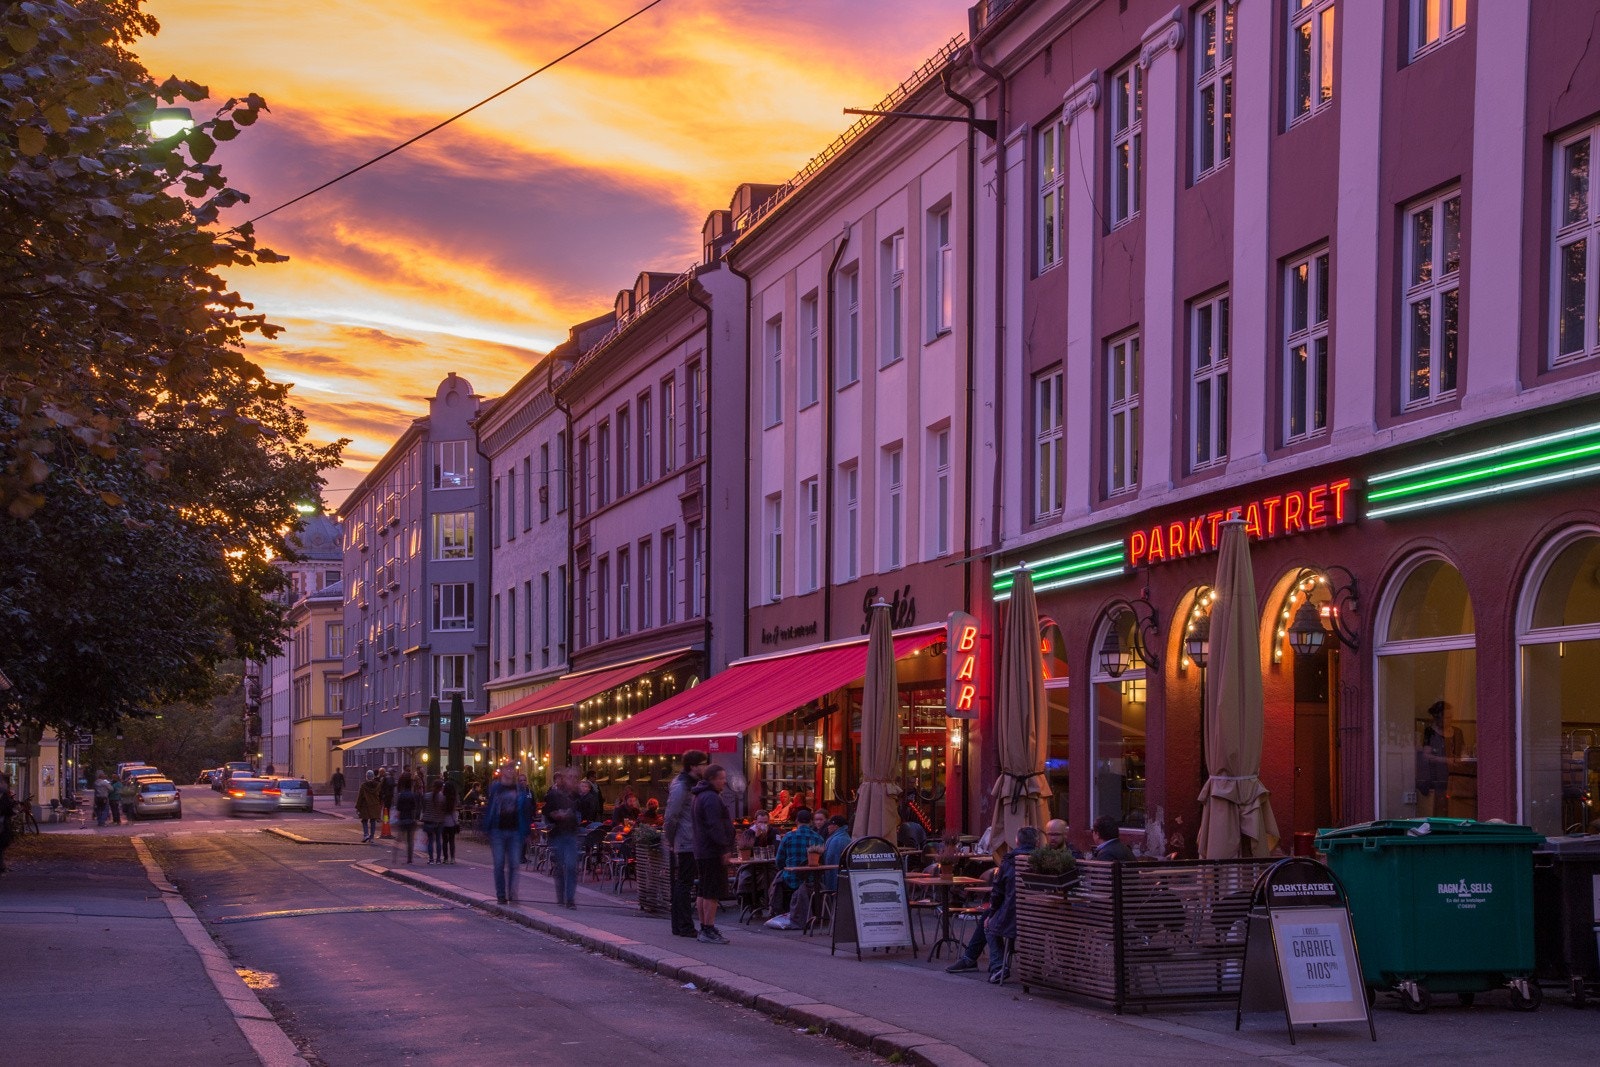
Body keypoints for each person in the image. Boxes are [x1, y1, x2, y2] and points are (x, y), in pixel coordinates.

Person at [947, 826, 1038, 983]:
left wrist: (994, 910)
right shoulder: (1042, 861)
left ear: (1017, 841)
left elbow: (997, 893)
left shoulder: (1010, 861)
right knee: (988, 915)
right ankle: (970, 959)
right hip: (1036, 916)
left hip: (1015, 917)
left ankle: (998, 966)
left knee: (989, 922)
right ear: (1036, 842)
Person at [663, 750, 709, 938]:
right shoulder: (682, 786)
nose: (705, 767)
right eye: (703, 764)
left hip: (689, 838)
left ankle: (680, 925)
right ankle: (683, 925)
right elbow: (671, 815)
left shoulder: (690, 784)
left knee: (684, 882)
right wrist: (671, 839)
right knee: (684, 882)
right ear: (693, 767)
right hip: (686, 840)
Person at [690, 763, 735, 944]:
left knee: (703, 890)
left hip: (702, 849)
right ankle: (708, 929)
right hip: (712, 851)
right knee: (712, 892)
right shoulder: (711, 798)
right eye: (721, 778)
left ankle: (704, 927)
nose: (724, 782)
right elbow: (714, 825)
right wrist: (724, 848)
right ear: (711, 779)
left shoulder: (700, 796)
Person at [766, 806, 825, 930]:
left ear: (796, 821)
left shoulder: (788, 837)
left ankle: (778, 909)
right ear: (810, 822)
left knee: (778, 878)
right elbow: (823, 862)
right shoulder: (818, 838)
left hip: (790, 880)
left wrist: (784, 868)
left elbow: (779, 861)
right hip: (812, 882)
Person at [483, 763, 532, 904]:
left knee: (514, 864)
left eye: (512, 769)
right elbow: (490, 808)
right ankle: (501, 895)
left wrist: (527, 831)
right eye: (507, 769)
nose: (510, 771)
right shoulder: (496, 789)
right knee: (499, 863)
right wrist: (487, 827)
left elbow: (525, 811)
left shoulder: (519, 790)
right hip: (498, 830)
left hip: (515, 831)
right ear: (502, 771)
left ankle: (512, 894)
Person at [1417, 700, 1464, 818]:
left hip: (1455, 775)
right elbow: (1426, 755)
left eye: (1451, 717)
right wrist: (1445, 760)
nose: (1450, 720)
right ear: (1438, 717)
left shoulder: (1457, 732)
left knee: (1456, 806)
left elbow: (1463, 752)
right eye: (1447, 717)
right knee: (1439, 806)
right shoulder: (1430, 732)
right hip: (1437, 776)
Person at [543, 767, 582, 908]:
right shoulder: (555, 794)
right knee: (560, 866)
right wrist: (555, 815)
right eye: (570, 777)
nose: (573, 780)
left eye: (575, 777)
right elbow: (546, 811)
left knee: (571, 866)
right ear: (565, 778)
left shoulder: (577, 795)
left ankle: (570, 899)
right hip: (558, 834)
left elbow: (583, 812)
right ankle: (561, 896)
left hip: (571, 834)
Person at [393, 774, 420, 863]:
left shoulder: (401, 795)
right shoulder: (413, 795)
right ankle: (410, 859)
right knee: (410, 840)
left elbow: (398, 808)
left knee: (398, 839)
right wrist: (414, 819)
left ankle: (394, 858)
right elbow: (414, 808)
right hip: (410, 819)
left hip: (402, 818)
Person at [821, 815, 851, 891]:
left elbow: (831, 863)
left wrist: (830, 888)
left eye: (829, 825)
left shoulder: (836, 841)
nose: (828, 827)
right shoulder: (845, 837)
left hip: (836, 884)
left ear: (836, 826)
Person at [420, 776, 445, 864]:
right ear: (441, 787)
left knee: (430, 840)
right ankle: (438, 859)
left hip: (428, 820)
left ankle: (431, 859)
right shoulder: (443, 797)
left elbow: (424, 808)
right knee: (438, 840)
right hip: (439, 821)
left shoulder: (426, 796)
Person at [355, 770, 382, 842]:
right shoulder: (378, 785)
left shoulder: (363, 786)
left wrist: (358, 807)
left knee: (364, 820)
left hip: (365, 805)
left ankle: (366, 835)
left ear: (366, 777)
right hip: (375, 805)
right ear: (373, 776)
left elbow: (360, 797)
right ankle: (372, 837)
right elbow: (380, 795)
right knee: (373, 821)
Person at [439, 777, 460, 864]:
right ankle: (452, 858)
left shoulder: (442, 798)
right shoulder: (453, 799)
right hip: (451, 822)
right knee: (452, 841)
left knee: (444, 841)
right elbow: (453, 812)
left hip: (443, 822)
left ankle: (445, 858)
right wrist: (456, 822)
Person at [0, 772, 16, 874]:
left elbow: (8, 808)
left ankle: (2, 865)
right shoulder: (4, 795)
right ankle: (2, 866)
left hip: (3, 823)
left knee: (2, 844)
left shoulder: (4, 795)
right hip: (3, 823)